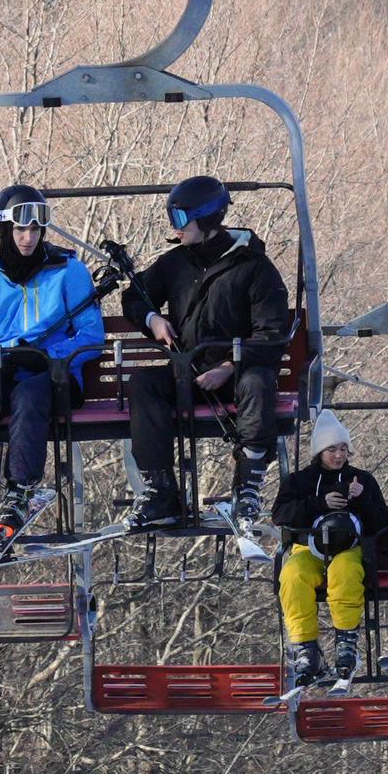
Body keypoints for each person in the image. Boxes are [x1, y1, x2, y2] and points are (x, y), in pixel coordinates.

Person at [0, 184, 105, 572]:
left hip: (56, 378)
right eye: (19, 231)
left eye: (34, 230)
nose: (28, 238)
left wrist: (47, 356)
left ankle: (21, 491)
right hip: (5, 376)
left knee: (31, 393)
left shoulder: (69, 272)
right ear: (4, 232)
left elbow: (91, 335)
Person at [121, 176, 292, 531]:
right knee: (144, 383)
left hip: (237, 373)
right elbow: (135, 295)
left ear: (208, 219)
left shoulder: (254, 268)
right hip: (189, 369)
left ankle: (248, 482)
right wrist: (153, 320)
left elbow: (271, 333)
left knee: (258, 383)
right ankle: (161, 492)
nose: (175, 229)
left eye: (182, 220)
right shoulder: (175, 263)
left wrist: (230, 365)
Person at [272, 410, 388, 684]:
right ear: (319, 452)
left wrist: (361, 501)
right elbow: (280, 514)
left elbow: (381, 524)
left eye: (343, 449)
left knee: (345, 571)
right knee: (292, 577)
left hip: (350, 547)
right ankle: (305, 648)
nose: (339, 456)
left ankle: (347, 641)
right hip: (309, 548)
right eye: (331, 450)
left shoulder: (362, 480)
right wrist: (318, 504)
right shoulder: (299, 481)